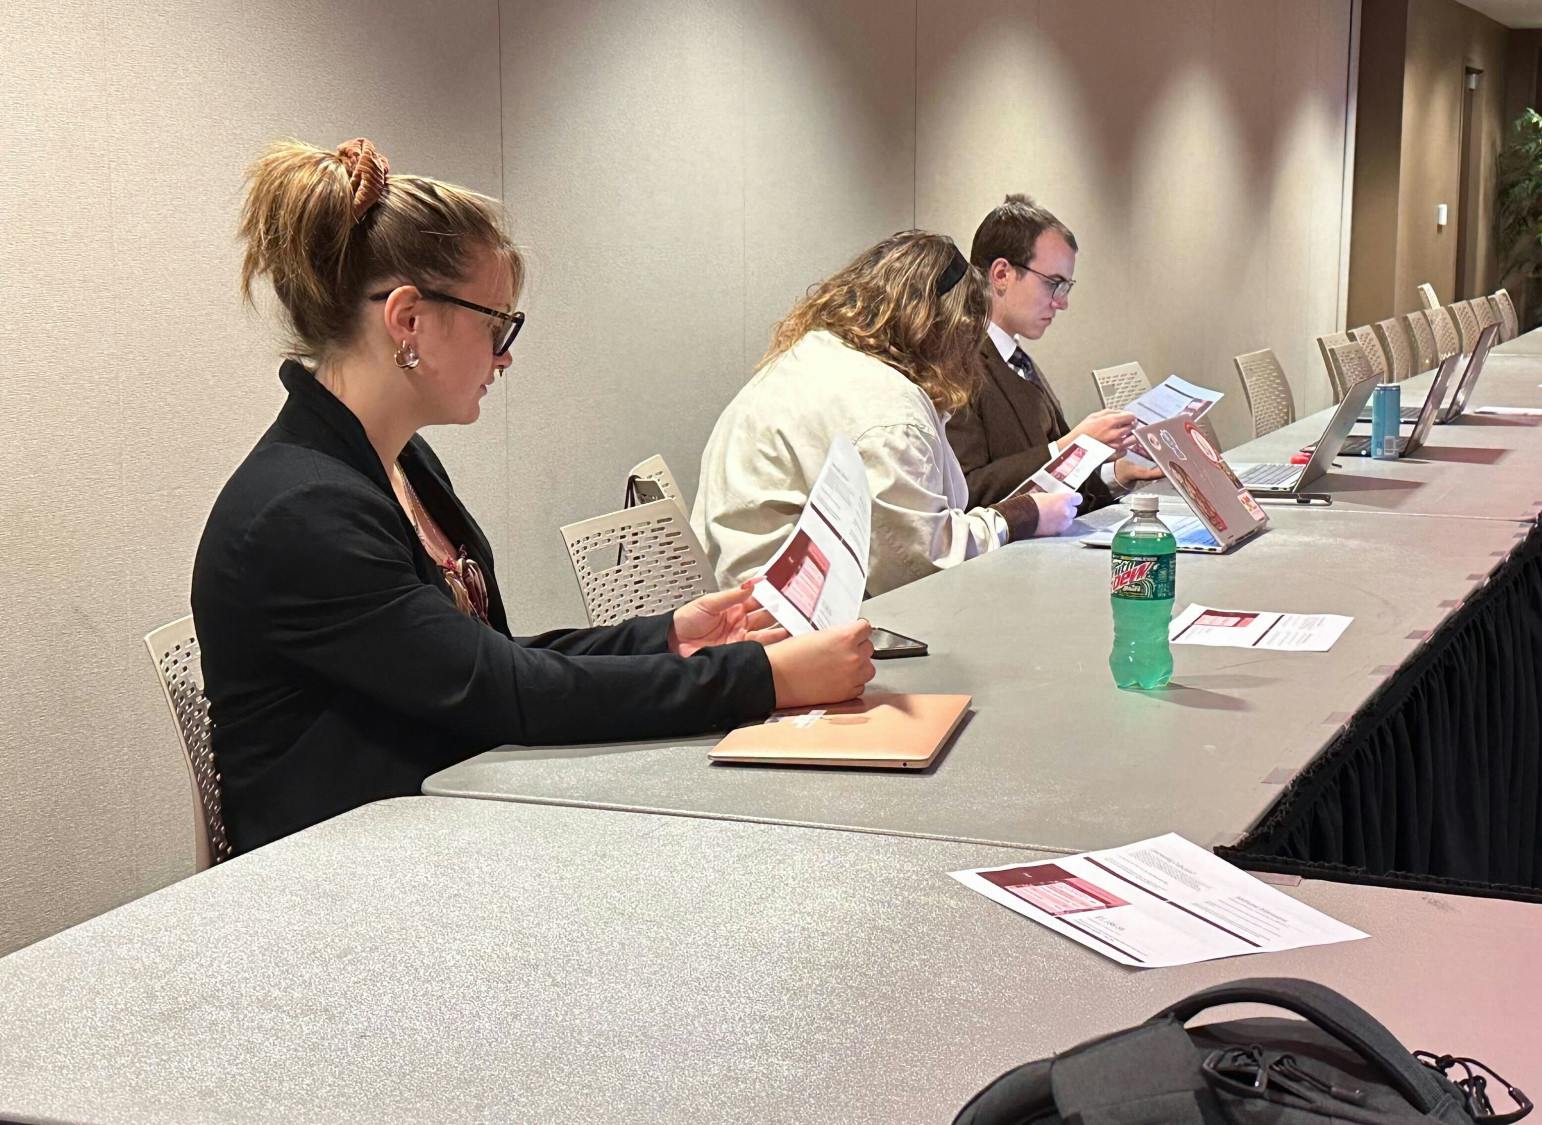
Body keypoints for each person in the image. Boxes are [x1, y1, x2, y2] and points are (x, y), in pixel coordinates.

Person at [194, 138, 872, 853]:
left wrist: (669, 636)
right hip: (341, 878)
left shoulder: (398, 465)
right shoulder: (302, 512)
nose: (506, 354)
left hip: (432, 824)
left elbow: (478, 660)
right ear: (407, 321)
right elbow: (505, 689)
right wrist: (758, 678)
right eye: (495, 325)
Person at [694, 230, 1079, 596]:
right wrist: (1019, 517)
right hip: (789, 628)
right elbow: (919, 567)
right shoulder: (886, 409)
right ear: (942, 326)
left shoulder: (814, 355)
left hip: (748, 603)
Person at [947, 194, 1162, 510]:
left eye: (1065, 287)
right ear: (1002, 274)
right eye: (1053, 284)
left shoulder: (1015, 358)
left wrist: (1117, 474)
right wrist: (1071, 445)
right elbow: (965, 493)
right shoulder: (954, 361)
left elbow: (1055, 478)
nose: (1062, 302)